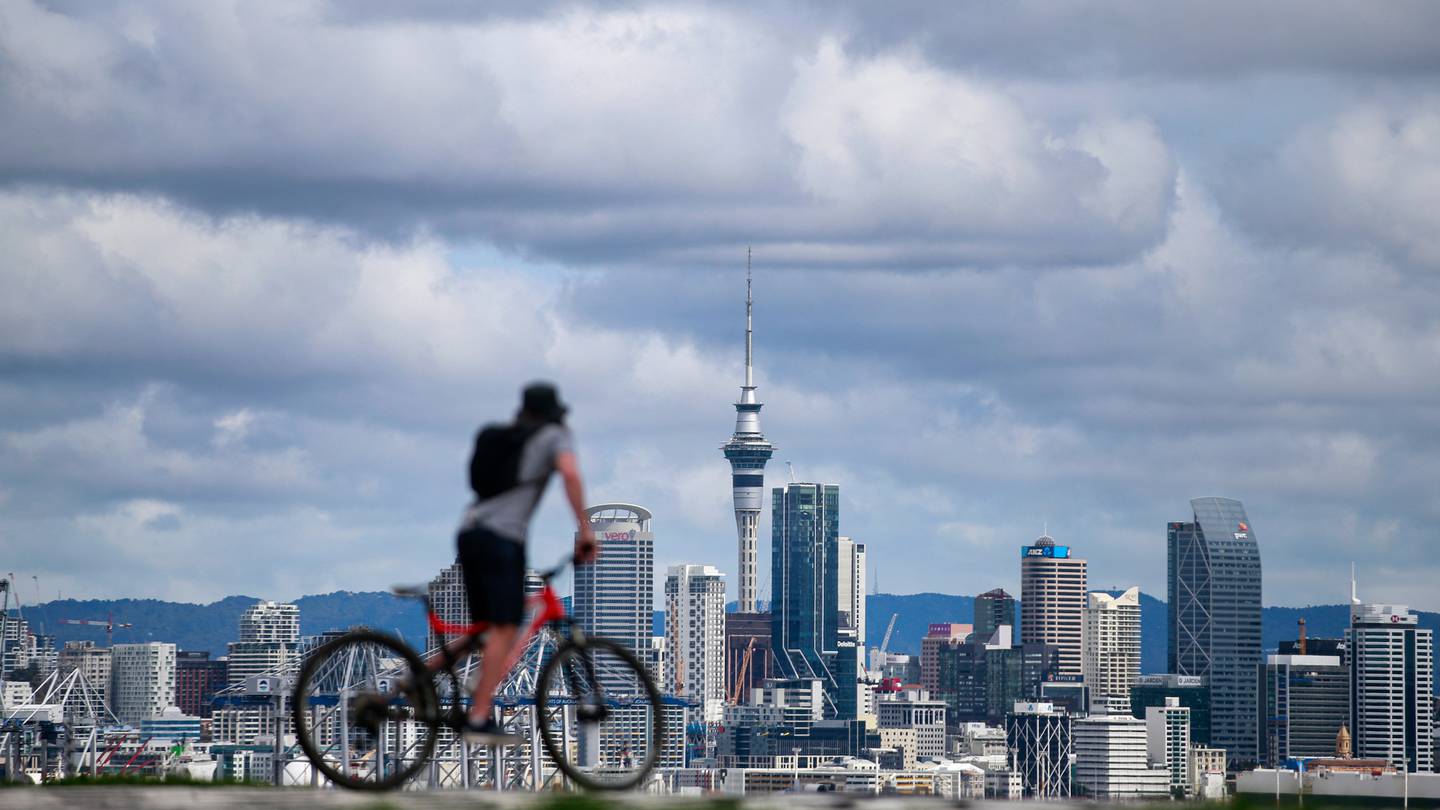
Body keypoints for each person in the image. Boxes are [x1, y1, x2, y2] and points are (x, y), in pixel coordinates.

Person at [449, 382, 595, 742]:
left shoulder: (506, 438)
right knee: (506, 627)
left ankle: (417, 676)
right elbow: (570, 474)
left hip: (469, 532)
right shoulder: (554, 435)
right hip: (502, 539)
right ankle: (479, 716)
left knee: (485, 628)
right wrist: (586, 529)